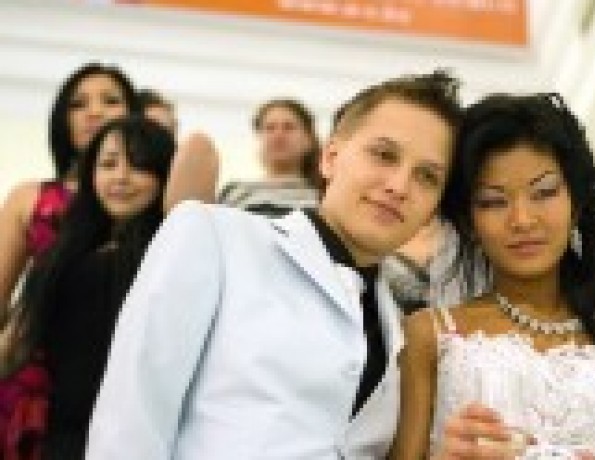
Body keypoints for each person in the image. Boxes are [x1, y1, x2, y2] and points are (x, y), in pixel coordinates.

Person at [84, 70, 461, 459]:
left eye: (427, 176)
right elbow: (131, 418)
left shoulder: (400, 321)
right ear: (330, 158)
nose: (399, 186)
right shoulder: (214, 237)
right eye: (383, 155)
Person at [391, 93, 595, 459]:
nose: (522, 220)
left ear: (575, 205)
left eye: (544, 193)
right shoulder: (428, 336)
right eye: (494, 201)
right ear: (470, 223)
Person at [5, 116, 175, 459]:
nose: (121, 177)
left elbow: (201, 153)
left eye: (139, 165)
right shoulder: (61, 253)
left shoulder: (170, 250)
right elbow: (16, 341)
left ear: (163, 174)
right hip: (65, 432)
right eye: (108, 164)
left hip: (145, 436)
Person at [0, 62, 138, 455]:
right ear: (62, 120)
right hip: (37, 386)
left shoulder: (150, 197)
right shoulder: (31, 198)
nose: (95, 111)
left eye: (110, 100)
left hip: (125, 380)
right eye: (79, 104)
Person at [218, 98, 320, 215]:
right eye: (270, 128)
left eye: (289, 127)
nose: (278, 135)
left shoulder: (324, 197)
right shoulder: (232, 192)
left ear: (308, 139)